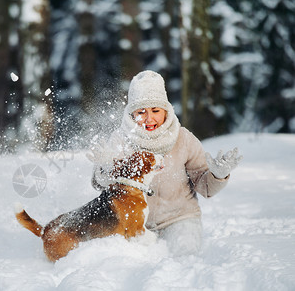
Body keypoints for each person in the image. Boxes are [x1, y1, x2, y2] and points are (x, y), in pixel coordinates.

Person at [89, 70, 242, 256]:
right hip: (133, 223)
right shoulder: (120, 139)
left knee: (182, 261)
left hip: (180, 220)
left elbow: (206, 187)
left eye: (155, 110)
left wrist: (218, 175)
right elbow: (100, 183)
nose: (149, 118)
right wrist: (105, 168)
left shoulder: (183, 138)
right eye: (141, 112)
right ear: (131, 113)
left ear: (166, 110)